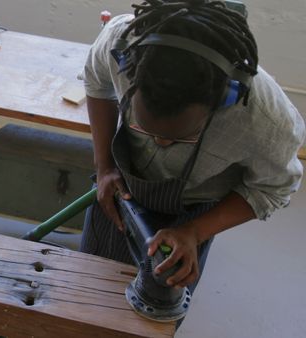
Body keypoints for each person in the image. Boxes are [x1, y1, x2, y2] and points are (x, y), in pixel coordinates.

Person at [80, 0, 304, 304]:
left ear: (224, 100)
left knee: (162, 304)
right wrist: (105, 166)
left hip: (197, 206)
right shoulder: (120, 43)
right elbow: (96, 82)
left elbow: (272, 189)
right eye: (147, 128)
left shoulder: (265, 119)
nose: (158, 145)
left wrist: (195, 231)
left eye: (177, 138)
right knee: (85, 292)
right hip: (121, 186)